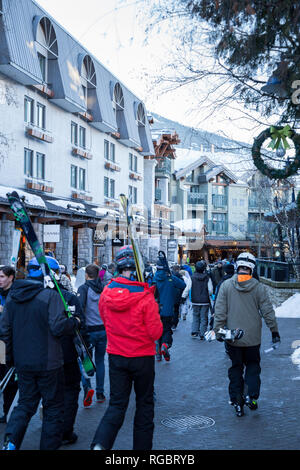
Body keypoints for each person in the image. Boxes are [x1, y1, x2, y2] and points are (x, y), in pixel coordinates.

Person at [0, 257, 80, 450]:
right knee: (53, 409)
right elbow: (58, 327)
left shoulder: (13, 297)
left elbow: (4, 332)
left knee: (25, 405)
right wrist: (75, 322)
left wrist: (9, 361)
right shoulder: (50, 296)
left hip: (23, 363)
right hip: (49, 363)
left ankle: (10, 442)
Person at [90, 245, 162, 450]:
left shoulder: (106, 292)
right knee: (144, 406)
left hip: (116, 356)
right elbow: (155, 332)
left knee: (116, 405)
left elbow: (105, 320)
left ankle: (100, 445)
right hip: (142, 357)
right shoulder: (145, 295)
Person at [213, 252, 280, 418]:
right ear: (252, 268)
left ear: (237, 266)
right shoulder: (258, 287)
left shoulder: (226, 286)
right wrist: (274, 331)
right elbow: (267, 311)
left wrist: (218, 331)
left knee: (236, 368)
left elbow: (219, 312)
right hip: (252, 338)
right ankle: (252, 395)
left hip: (233, 338)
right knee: (252, 366)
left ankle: (237, 402)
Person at [77, 264, 106, 406]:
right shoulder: (104, 289)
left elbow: (80, 310)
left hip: (88, 331)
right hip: (102, 330)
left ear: (87, 275)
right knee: (100, 361)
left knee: (85, 361)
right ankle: (100, 393)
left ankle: (87, 387)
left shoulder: (83, 289)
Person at [153, 258, 185, 361]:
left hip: (155, 309)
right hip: (167, 310)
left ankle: (158, 355)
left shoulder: (153, 278)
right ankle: (165, 345)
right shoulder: (170, 278)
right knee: (166, 330)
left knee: (157, 332)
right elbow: (183, 285)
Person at [0, 266, 18, 424]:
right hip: (0, 342)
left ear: (11, 277)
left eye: (2, 276)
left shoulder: (16, 294)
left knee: (10, 379)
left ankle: (8, 411)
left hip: (12, 341)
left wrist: (4, 310)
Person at [190, 260, 212, 340]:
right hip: (205, 300)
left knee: (195, 315)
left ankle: (194, 331)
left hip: (195, 300)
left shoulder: (192, 277)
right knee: (204, 317)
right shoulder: (207, 278)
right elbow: (210, 290)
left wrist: (183, 296)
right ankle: (203, 333)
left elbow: (188, 287)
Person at [171, 265, 185, 330]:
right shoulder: (180, 277)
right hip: (178, 295)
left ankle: (171, 322)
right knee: (176, 310)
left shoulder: (170, 276)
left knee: (171, 309)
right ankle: (174, 323)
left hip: (171, 295)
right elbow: (183, 286)